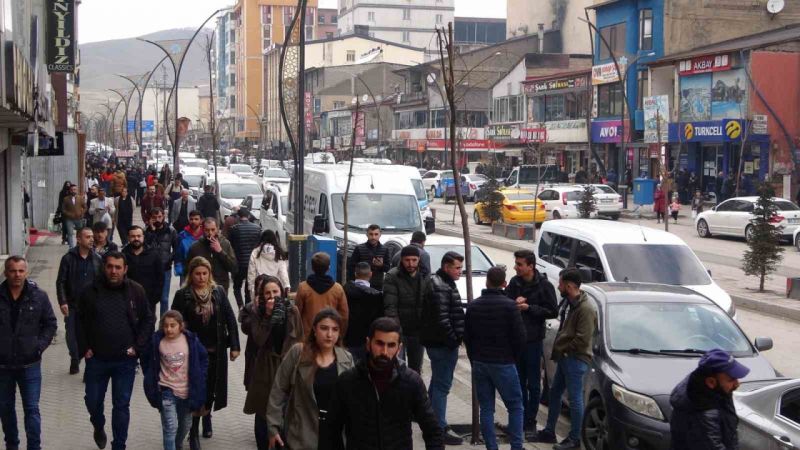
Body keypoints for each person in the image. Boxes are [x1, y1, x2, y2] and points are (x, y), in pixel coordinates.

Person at [77, 251, 155, 450]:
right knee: (93, 401)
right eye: (110, 266)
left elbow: (148, 319)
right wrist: (84, 347)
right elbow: (78, 321)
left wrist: (138, 347)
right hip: (97, 359)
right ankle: (98, 424)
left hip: (125, 361)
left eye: (118, 267)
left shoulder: (135, 290)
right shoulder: (90, 291)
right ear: (104, 267)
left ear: (125, 269)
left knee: (121, 406)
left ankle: (119, 445)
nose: (113, 271)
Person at [327, 317, 444, 449]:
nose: (384, 351)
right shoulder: (347, 382)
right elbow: (331, 432)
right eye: (379, 344)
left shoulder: (411, 382)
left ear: (399, 348)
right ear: (368, 343)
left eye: (391, 345)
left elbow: (433, 431)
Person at [170, 256, 240, 448]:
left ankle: (207, 416)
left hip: (215, 351)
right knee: (195, 391)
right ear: (191, 275)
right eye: (197, 274)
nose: (201, 277)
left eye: (204, 273)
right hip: (192, 353)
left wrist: (235, 345)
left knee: (210, 389)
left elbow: (230, 319)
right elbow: (173, 322)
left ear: (209, 274)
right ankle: (192, 433)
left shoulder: (218, 292)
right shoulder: (182, 295)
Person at [266, 309, 355, 450]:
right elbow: (278, 389)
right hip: (301, 434)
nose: (329, 334)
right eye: (324, 328)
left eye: (335, 329)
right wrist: (273, 427)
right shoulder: (298, 353)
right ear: (314, 329)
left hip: (335, 437)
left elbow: (353, 401)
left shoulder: (346, 359)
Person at [533, 268, 597, 450]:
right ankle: (549, 431)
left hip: (575, 359)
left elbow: (582, 339)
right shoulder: (569, 302)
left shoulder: (586, 308)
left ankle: (575, 439)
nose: (558, 286)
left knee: (575, 399)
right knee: (555, 393)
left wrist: (566, 350)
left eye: (561, 283)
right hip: (565, 357)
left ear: (569, 286)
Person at [0, 256, 58, 450]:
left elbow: (50, 324)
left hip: (30, 364)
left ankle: (34, 447)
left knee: (32, 409)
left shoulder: (38, 296)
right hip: (3, 365)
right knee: (5, 409)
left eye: (21, 271)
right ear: (6, 272)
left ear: (26, 272)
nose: (17, 275)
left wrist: (39, 346)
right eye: (13, 271)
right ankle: (12, 445)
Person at [465, 267, 526, 450]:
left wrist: (474, 358)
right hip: (504, 362)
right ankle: (516, 446)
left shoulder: (473, 306)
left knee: (486, 408)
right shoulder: (510, 307)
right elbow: (520, 338)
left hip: (480, 362)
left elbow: (467, 337)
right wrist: (513, 358)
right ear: (504, 284)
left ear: (486, 282)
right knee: (515, 406)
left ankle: (491, 447)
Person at [239, 276, 303, 450]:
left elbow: (299, 338)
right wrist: (267, 316)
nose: (272, 296)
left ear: (282, 292)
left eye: (275, 291)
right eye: (268, 293)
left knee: (284, 410)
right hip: (265, 367)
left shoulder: (292, 310)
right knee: (263, 412)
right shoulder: (256, 312)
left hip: (287, 365)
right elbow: (259, 339)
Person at [504, 250, 557, 434]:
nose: (516, 267)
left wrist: (529, 308)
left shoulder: (544, 286)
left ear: (530, 266)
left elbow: (552, 311)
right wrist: (513, 304)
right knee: (517, 382)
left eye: (519, 264)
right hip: (516, 342)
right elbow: (505, 303)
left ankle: (530, 421)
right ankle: (518, 419)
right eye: (516, 264)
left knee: (533, 384)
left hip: (533, 341)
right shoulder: (514, 283)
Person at [142, 311, 209, 450]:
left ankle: (177, 445)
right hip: (167, 390)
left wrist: (200, 375)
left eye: (173, 325)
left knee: (185, 425)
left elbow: (203, 358)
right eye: (166, 326)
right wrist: (150, 376)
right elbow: (146, 359)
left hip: (186, 391)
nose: (169, 329)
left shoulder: (191, 340)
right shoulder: (157, 341)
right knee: (170, 427)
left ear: (181, 326)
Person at [422, 251, 466, 445]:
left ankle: (430, 420)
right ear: (446, 267)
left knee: (437, 383)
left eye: (461, 268)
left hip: (438, 343)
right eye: (457, 268)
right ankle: (438, 428)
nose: (460, 272)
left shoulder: (442, 282)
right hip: (442, 344)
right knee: (442, 386)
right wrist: (454, 340)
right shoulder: (440, 285)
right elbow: (442, 319)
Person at [669, 349, 750, 450]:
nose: (737, 384)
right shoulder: (703, 416)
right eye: (731, 380)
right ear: (711, 382)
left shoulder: (716, 390)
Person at [56, 227, 102, 375]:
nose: (91, 239)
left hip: (91, 306)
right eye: (87, 237)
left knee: (91, 335)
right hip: (72, 304)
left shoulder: (97, 259)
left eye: (92, 237)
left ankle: (89, 366)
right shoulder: (68, 258)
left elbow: (101, 283)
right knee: (71, 335)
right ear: (78, 239)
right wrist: (62, 301)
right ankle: (75, 358)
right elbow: (61, 282)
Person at [384, 245, 430, 374]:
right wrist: (396, 331)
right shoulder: (392, 276)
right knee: (399, 368)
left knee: (416, 368)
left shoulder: (425, 276)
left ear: (419, 259)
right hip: (400, 331)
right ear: (401, 260)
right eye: (407, 260)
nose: (410, 264)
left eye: (414, 260)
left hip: (418, 331)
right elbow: (390, 306)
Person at [294, 252, 349, 336]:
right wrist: (339, 334)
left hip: (308, 335)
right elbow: (344, 315)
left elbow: (297, 313)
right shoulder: (337, 289)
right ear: (328, 267)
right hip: (329, 334)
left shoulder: (303, 287)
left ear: (312, 268)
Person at [342, 262, 383, 362]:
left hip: (348, 338)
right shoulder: (377, 296)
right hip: (367, 339)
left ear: (355, 274)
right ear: (370, 274)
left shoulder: (344, 290)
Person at [186, 217, 238, 292]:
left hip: (220, 287)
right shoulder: (195, 247)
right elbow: (188, 269)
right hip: (201, 288)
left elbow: (233, 267)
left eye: (213, 230)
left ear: (217, 229)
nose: (210, 233)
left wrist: (220, 251)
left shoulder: (225, 243)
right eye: (207, 230)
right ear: (203, 229)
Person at [122, 226, 165, 313]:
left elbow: (160, 277)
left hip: (149, 300)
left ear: (143, 237)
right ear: (128, 238)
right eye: (133, 236)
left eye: (139, 236)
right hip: (128, 300)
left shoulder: (154, 254)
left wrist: (155, 298)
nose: (136, 238)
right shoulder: (123, 255)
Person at [145, 207, 179, 317]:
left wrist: (170, 259)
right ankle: (151, 321)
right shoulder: (146, 231)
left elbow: (176, 248)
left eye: (159, 217)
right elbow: (145, 247)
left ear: (163, 216)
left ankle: (163, 322)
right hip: (151, 269)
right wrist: (152, 230)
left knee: (164, 298)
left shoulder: (171, 230)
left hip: (165, 269)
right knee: (151, 298)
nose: (157, 219)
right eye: (154, 217)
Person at [229, 208, 262, 308]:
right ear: (248, 216)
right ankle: (248, 307)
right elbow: (259, 246)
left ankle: (240, 306)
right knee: (249, 287)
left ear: (238, 217)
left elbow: (231, 246)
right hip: (252, 263)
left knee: (237, 287)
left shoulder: (234, 229)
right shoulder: (257, 229)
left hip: (238, 263)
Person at [246, 230, 290, 301]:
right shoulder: (279, 253)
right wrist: (286, 286)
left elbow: (251, 273)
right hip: (275, 287)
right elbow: (283, 272)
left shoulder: (256, 252)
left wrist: (252, 291)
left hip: (261, 288)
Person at [348, 224, 391, 290]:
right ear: (367, 234)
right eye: (371, 234)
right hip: (361, 284)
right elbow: (351, 267)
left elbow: (388, 269)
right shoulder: (359, 248)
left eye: (376, 234)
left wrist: (381, 265)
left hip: (377, 285)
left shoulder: (385, 249)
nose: (373, 237)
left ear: (380, 235)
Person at [174, 211, 204, 285]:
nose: (193, 221)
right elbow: (177, 255)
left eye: (196, 219)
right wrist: (180, 270)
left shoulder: (205, 235)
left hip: (203, 272)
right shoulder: (182, 236)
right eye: (191, 219)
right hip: (186, 272)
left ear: (201, 221)